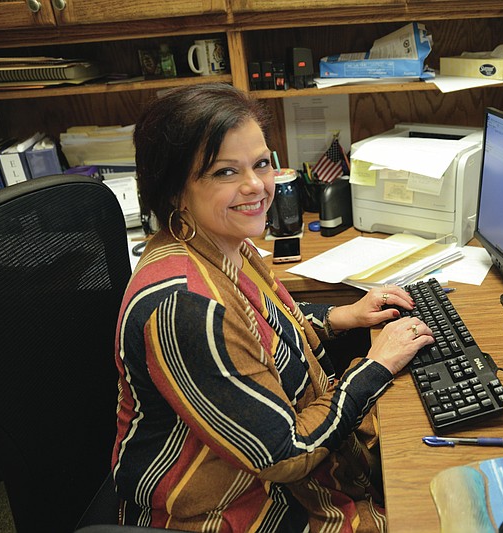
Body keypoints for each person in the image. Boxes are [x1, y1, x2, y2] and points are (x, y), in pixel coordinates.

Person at [112, 83, 434, 532]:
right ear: (174, 189)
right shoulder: (185, 308)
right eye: (225, 172)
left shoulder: (221, 242)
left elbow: (262, 325)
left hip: (271, 476)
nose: (256, 187)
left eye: (261, 163)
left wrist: (344, 316)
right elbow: (284, 455)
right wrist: (376, 367)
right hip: (227, 508)